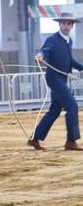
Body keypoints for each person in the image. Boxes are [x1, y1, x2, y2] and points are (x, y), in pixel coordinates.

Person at [29, 12, 83, 150]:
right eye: (64, 23)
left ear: (72, 25)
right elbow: (44, 50)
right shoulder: (52, 39)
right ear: (60, 24)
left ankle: (35, 138)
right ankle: (71, 141)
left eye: (69, 23)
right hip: (54, 79)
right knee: (72, 106)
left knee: (55, 110)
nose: (66, 26)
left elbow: (70, 60)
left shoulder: (69, 41)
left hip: (62, 79)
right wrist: (40, 56)